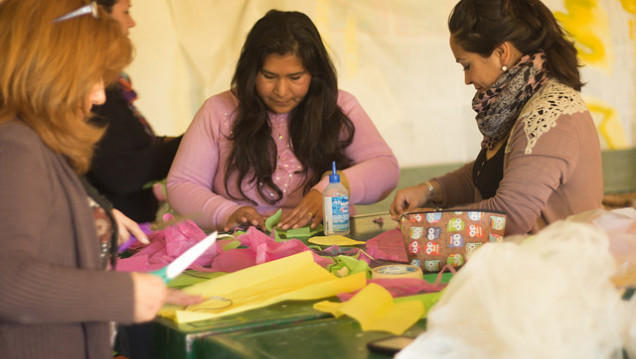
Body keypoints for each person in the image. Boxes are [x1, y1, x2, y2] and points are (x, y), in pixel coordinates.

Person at [0, 1, 200, 358]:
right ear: (48, 70)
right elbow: (7, 280)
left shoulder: (36, 143)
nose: (99, 96)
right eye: (92, 78)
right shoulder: (17, 148)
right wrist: (126, 295)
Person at [166, 9, 399, 232]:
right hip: (243, 248)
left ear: (314, 74)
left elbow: (385, 169)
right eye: (269, 76)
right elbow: (181, 185)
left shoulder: (339, 107)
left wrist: (331, 191)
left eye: (295, 77)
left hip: (331, 244)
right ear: (251, 72)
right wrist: (226, 212)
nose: (281, 90)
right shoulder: (218, 111)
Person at [390, 0, 603, 235]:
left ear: (501, 53)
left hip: (564, 266)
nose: (467, 79)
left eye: (466, 65)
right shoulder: (523, 102)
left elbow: (510, 215)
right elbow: (491, 173)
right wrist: (429, 190)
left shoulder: (551, 115)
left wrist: (430, 223)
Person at [86, 0, 183, 223]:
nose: (132, 22)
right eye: (126, 12)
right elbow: (120, 172)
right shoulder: (98, 97)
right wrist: (189, 145)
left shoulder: (110, 90)